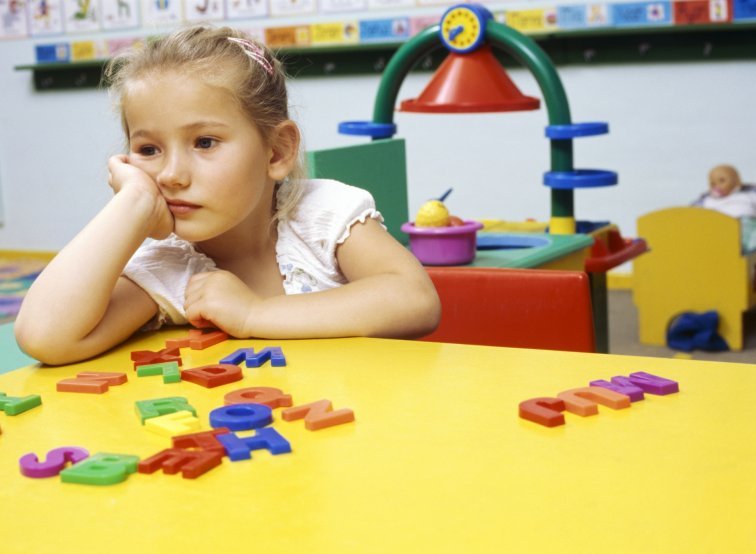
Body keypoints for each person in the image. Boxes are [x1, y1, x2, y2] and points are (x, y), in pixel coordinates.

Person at [15, 25, 441, 365]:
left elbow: (414, 300)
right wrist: (132, 204)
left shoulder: (323, 216)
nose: (171, 175)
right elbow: (45, 337)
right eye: (148, 150)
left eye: (204, 142)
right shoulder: (170, 265)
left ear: (276, 152)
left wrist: (253, 314)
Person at [691, 164, 756, 251]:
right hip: (719, 228)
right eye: (712, 183)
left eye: (722, 181)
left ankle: (746, 250)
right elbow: (693, 213)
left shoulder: (749, 195)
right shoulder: (708, 201)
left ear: (737, 182)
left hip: (746, 224)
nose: (716, 186)